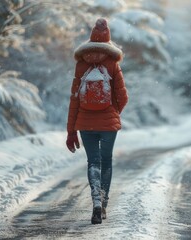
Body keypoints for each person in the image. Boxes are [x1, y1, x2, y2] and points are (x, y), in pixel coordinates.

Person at [65, 18, 128, 224]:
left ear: (92, 37)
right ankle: (104, 201)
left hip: (85, 123)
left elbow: (74, 99)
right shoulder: (113, 64)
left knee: (93, 162)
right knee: (106, 161)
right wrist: (113, 111)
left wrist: (71, 131)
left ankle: (95, 202)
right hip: (109, 124)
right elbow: (123, 97)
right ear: (108, 39)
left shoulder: (81, 65)